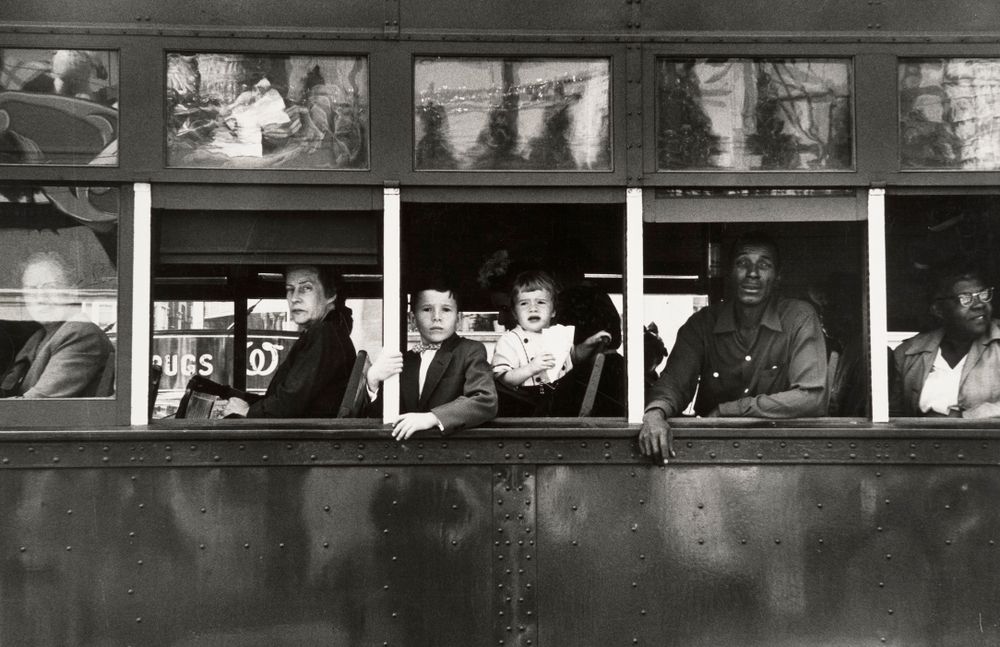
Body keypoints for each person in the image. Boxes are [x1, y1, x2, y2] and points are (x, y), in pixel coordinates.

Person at [639, 232, 828, 460]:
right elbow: (674, 383)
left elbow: (811, 397)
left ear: (777, 277)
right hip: (712, 453)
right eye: (742, 263)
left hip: (782, 453)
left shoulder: (799, 318)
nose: (752, 273)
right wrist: (655, 414)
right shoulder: (702, 324)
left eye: (764, 265)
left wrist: (727, 410)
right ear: (730, 273)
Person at [365, 281, 497, 439]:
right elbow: (377, 418)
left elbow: (485, 400)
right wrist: (373, 382)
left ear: (458, 319)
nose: (436, 318)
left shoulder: (470, 350)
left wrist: (432, 418)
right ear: (412, 319)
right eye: (427, 309)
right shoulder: (404, 360)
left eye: (446, 310)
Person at [222, 265, 356, 418]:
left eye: (306, 288)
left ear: (331, 293)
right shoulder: (331, 331)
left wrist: (247, 411)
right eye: (290, 289)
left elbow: (289, 402)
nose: (294, 298)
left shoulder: (324, 333)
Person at [491, 270, 610, 415]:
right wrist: (531, 368)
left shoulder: (558, 334)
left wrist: (589, 343)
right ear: (515, 313)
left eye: (540, 302)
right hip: (525, 403)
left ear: (553, 311)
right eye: (524, 303)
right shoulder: (509, 340)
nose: (533, 308)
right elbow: (504, 378)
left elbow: (573, 358)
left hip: (559, 399)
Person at [890, 266, 1000, 418]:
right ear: (939, 309)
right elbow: (893, 416)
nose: (979, 304)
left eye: (983, 294)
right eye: (965, 298)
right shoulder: (909, 353)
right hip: (923, 441)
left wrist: (969, 417)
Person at [0, 252, 113, 398]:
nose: (40, 298)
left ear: (72, 293)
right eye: (32, 290)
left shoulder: (80, 333)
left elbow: (36, 404)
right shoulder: (38, 337)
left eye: (50, 287)